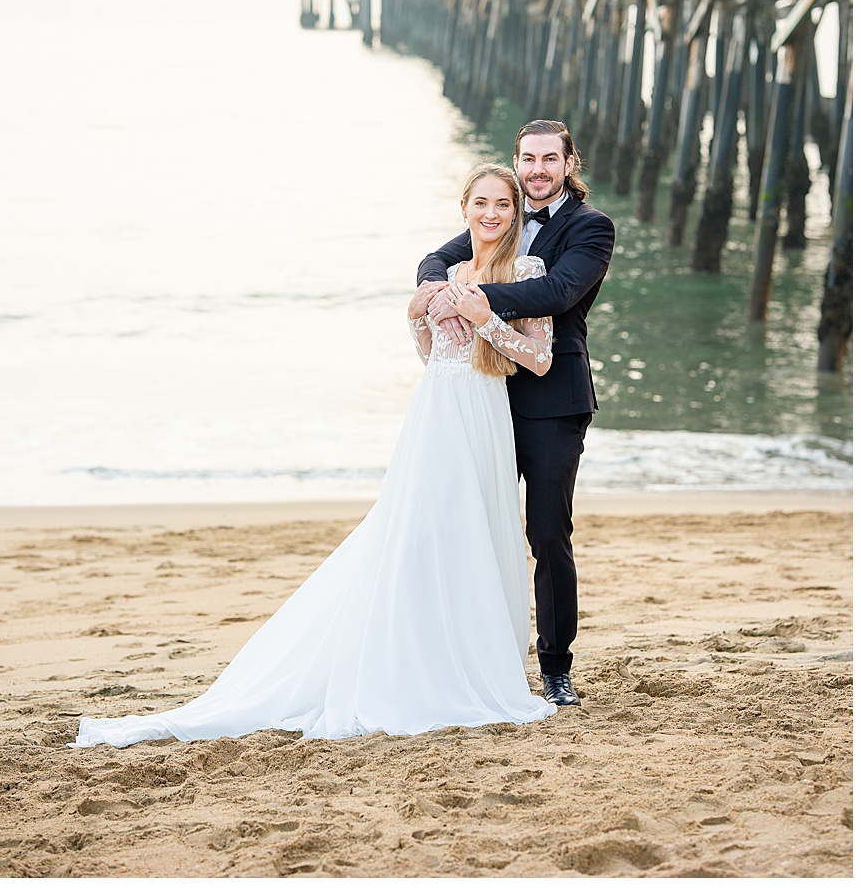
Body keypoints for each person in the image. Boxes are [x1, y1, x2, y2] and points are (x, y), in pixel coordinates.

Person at [73, 164, 556, 748]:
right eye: (481, 203)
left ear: (514, 211)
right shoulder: (449, 272)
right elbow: (435, 357)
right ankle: (413, 653)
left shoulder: (528, 271)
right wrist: (414, 319)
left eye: (502, 205)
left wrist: (487, 319)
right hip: (435, 414)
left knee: (475, 534)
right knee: (415, 534)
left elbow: (538, 359)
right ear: (463, 208)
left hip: (484, 412)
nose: (492, 214)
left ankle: (475, 661)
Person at [417, 119, 616, 708]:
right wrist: (436, 291)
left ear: (568, 164)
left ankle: (555, 665)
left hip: (552, 402)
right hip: (485, 400)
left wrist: (476, 301)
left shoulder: (590, 228)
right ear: (516, 161)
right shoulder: (502, 218)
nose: (536, 170)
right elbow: (437, 261)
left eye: (548, 160)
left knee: (547, 533)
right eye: (527, 159)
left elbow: (558, 292)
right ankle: (468, 653)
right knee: (472, 527)